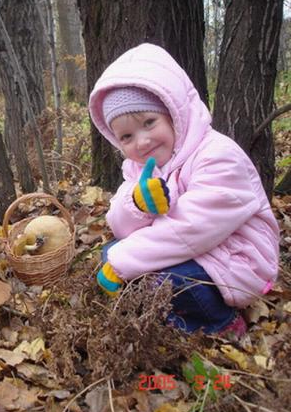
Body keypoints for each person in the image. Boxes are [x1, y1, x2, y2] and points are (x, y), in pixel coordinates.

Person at [87, 43, 280, 336]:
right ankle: (171, 314)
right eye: (126, 136)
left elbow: (192, 228)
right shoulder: (142, 166)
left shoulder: (218, 156)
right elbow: (119, 226)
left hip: (239, 260)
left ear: (174, 113)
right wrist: (137, 204)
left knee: (162, 277)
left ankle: (222, 324)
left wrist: (124, 262)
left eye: (149, 123)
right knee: (111, 250)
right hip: (201, 252)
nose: (141, 142)